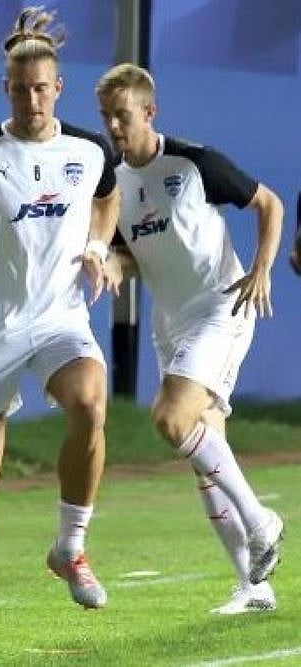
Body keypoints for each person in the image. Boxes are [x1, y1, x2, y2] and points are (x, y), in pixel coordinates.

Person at [0, 7, 121, 640]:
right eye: (20, 89)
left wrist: (98, 246)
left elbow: (108, 196)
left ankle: (70, 547)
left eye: (42, 88)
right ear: (4, 88)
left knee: (90, 403)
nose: (32, 100)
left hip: (61, 317)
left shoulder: (88, 150)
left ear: (58, 87)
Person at [97, 63, 285, 614]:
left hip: (221, 307)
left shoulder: (194, 162)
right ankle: (254, 587)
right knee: (204, 461)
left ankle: (261, 520)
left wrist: (262, 268)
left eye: (122, 115)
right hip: (171, 323)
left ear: (149, 112)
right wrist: (113, 264)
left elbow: (269, 203)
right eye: (106, 116)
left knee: (171, 419)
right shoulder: (113, 185)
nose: (113, 126)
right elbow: (131, 254)